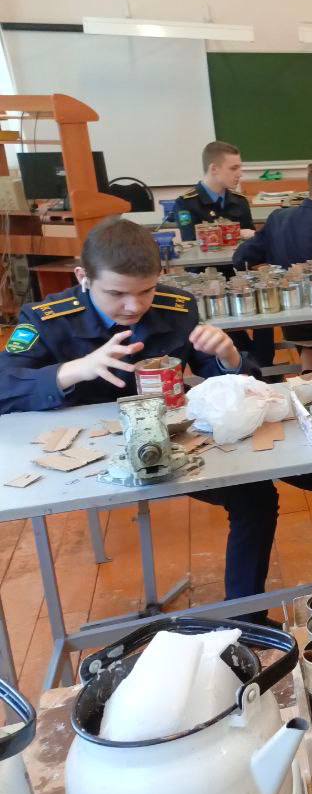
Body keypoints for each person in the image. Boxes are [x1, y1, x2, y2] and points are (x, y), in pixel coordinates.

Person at [0, 219, 281, 621]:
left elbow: (230, 382)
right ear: (83, 277)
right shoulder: (47, 318)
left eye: (146, 291)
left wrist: (227, 357)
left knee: (256, 496)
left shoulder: (177, 306)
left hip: (170, 448)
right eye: (116, 294)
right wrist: (75, 369)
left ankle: (247, 618)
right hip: (83, 463)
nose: (134, 307)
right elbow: (5, 385)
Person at [233, 159, 312, 372]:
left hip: (290, 321)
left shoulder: (278, 218)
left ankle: (308, 368)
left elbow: (240, 258)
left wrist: (269, 270)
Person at [174, 141, 255, 242]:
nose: (240, 174)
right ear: (214, 169)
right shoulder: (186, 203)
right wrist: (237, 233)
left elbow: (252, 241)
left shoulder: (240, 201)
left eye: (239, 168)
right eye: (233, 168)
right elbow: (191, 241)